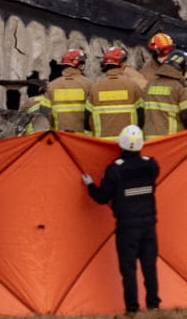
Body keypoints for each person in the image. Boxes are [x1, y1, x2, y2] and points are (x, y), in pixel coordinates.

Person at [82, 125, 160, 314]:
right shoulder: (151, 165)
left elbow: (102, 197)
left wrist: (90, 185)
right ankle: (154, 305)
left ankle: (132, 309)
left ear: (121, 144)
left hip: (127, 227)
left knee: (128, 269)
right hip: (149, 224)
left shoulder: (115, 170)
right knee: (150, 266)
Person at [87, 47, 144, 141]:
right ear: (121, 64)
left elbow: (87, 117)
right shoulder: (133, 86)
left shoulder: (95, 88)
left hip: (102, 143)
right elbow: (141, 115)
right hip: (128, 142)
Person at [35, 49, 92, 134]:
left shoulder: (52, 86)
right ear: (78, 65)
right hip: (82, 139)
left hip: (60, 138)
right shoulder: (88, 84)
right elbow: (91, 115)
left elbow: (45, 113)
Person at [141, 49, 187, 138]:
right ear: (183, 68)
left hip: (149, 141)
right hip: (171, 141)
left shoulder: (150, 85)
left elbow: (141, 114)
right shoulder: (180, 87)